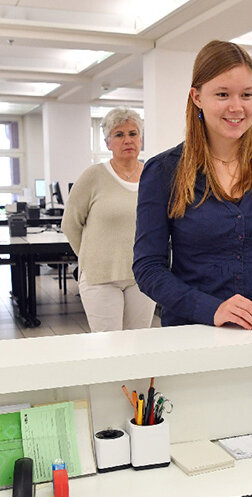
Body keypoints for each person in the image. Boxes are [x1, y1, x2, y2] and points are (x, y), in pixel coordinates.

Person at [133, 40, 252, 328]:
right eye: (223, 94)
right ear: (197, 97)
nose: (236, 107)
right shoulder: (163, 171)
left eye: (247, 94)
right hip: (192, 331)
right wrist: (210, 309)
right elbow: (148, 268)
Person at [62, 107, 156, 332]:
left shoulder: (153, 176)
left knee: (138, 344)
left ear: (140, 139)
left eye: (133, 134)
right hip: (100, 277)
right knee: (109, 348)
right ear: (108, 143)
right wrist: (90, 256)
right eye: (119, 135)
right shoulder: (93, 176)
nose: (127, 140)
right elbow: (70, 224)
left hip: (142, 276)